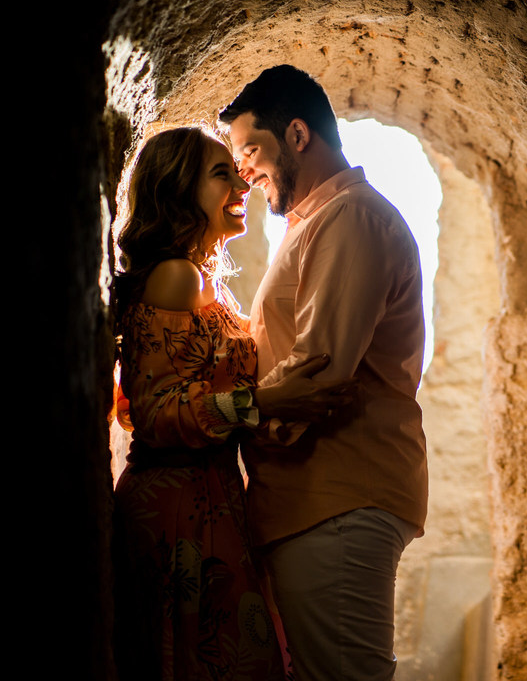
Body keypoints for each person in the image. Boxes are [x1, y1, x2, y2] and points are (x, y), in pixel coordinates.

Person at [111, 126, 353, 681]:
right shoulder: (175, 277)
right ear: (178, 190)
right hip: (179, 508)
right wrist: (270, 400)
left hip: (211, 497)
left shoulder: (199, 279)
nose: (242, 186)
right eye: (222, 174)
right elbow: (155, 413)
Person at [219, 65, 428, 681]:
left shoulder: (351, 217)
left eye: (250, 151)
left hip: (338, 495)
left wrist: (220, 415)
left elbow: (318, 373)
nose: (243, 171)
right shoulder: (314, 222)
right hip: (312, 498)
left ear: (298, 134)